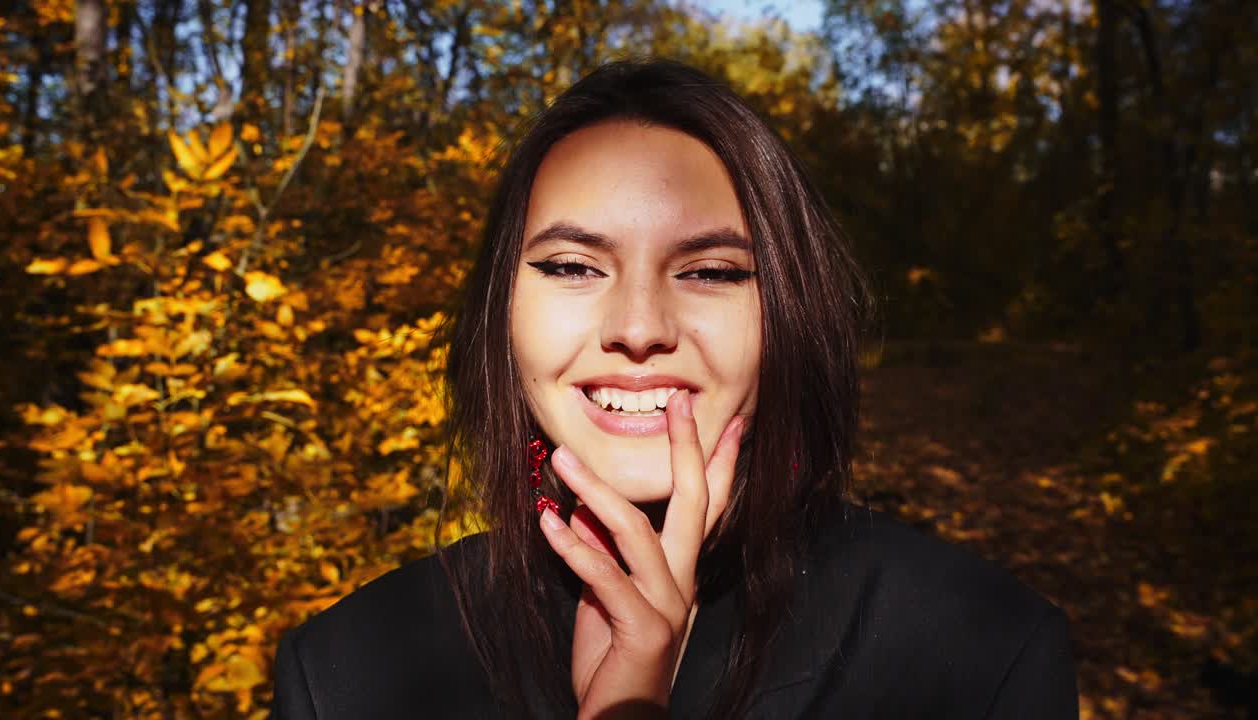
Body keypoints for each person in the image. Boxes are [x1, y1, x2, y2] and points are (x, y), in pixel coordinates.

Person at [270, 58, 1079, 719]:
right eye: (573, 266)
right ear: (500, 313)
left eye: (711, 272)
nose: (638, 326)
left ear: (790, 314)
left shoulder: (979, 658)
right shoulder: (349, 674)